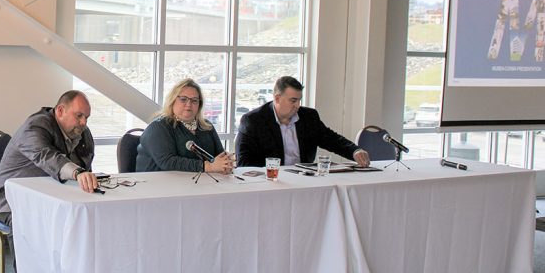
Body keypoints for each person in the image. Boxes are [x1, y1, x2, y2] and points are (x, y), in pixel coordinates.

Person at [0, 90, 98, 273]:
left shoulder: (82, 132)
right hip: (9, 198)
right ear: (61, 110)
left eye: (86, 118)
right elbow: (47, 157)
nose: (83, 123)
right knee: (23, 222)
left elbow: (86, 166)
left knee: (82, 221)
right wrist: (77, 174)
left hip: (51, 198)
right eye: (79, 116)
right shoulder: (36, 127)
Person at [236, 76, 370, 169]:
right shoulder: (253, 121)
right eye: (293, 100)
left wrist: (355, 151)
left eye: (299, 100)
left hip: (305, 180)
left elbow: (331, 139)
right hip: (270, 182)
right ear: (277, 98)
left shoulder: (308, 116)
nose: (297, 105)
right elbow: (244, 163)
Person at [135, 78, 234, 175]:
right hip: (158, 187)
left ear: (199, 104)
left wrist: (225, 164)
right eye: (183, 99)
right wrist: (208, 166)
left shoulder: (207, 126)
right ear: (172, 100)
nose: (189, 104)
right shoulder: (158, 127)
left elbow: (219, 155)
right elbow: (168, 162)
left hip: (201, 185)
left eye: (194, 100)